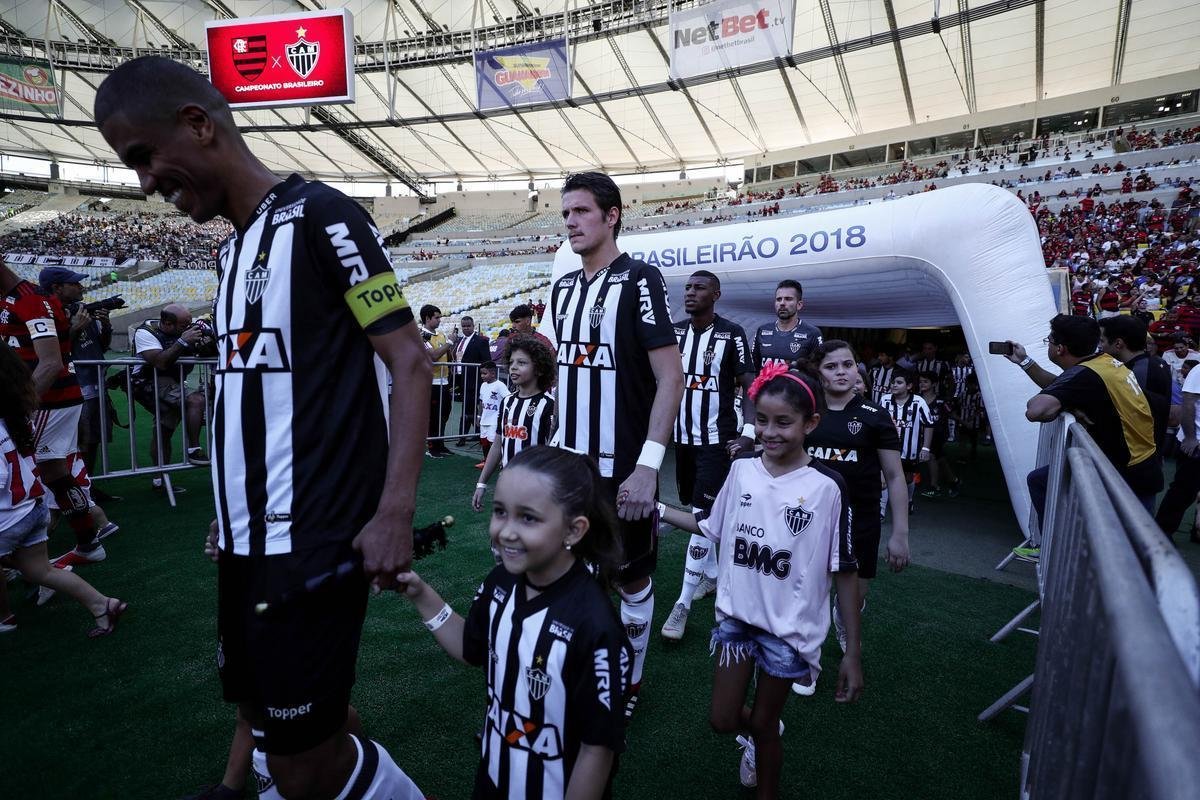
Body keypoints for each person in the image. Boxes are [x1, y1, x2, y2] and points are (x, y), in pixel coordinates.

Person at [96, 56, 428, 800]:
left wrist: (394, 512)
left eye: (144, 158)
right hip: (244, 540)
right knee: (266, 712)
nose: (145, 183)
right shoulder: (233, 247)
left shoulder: (326, 217)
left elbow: (409, 361)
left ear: (197, 124)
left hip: (312, 537)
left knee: (297, 761)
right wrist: (228, 511)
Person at [657, 365, 862, 795]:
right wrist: (658, 511)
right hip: (735, 620)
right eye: (762, 420)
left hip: (788, 631)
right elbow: (710, 527)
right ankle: (757, 734)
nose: (769, 432)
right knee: (722, 719)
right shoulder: (743, 470)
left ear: (811, 424)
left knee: (764, 726)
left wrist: (852, 652)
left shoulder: (828, 486)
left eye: (784, 422)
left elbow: (843, 569)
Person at [400, 446, 631, 799]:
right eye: (500, 512)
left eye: (528, 518)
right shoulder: (500, 583)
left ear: (573, 530)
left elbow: (596, 749)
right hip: (491, 781)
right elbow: (469, 647)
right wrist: (419, 592)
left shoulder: (595, 626)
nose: (506, 531)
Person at [541, 171, 685, 721]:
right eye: (565, 214)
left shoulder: (641, 280)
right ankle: (582, 665)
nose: (571, 222)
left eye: (581, 212)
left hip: (623, 468)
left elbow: (670, 377)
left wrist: (648, 467)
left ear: (612, 215)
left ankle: (631, 678)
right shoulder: (563, 288)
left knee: (631, 575)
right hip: (570, 467)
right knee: (569, 570)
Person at [0, 341, 126, 637]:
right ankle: (102, 605)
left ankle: (4, 617)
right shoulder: (18, 415)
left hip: (9, 516)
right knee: (40, 570)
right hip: (32, 508)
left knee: (25, 565)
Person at [805, 341, 909, 681]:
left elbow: (894, 476)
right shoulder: (807, 411)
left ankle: (844, 617)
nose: (841, 372)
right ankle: (807, 656)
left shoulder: (875, 416)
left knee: (853, 595)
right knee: (810, 592)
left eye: (847, 365)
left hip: (860, 520)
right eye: (831, 366)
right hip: (810, 520)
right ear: (818, 372)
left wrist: (900, 534)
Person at [1002, 315, 1161, 536]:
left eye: (1048, 340)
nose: (1047, 344)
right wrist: (1024, 361)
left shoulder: (1086, 375)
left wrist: (1062, 405)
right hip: (1143, 464)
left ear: (1060, 349)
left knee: (1128, 550)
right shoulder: (1103, 363)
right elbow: (1063, 385)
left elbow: (1036, 410)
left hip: (1125, 472)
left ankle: (1052, 544)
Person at [661, 269, 755, 641]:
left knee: (700, 516)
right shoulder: (676, 332)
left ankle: (682, 604)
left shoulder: (732, 334)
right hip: (682, 440)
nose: (690, 292)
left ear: (716, 294)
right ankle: (713, 576)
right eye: (687, 287)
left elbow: (749, 385)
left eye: (699, 288)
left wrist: (748, 432)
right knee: (698, 512)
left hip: (716, 441)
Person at [0, 263, 103, 568]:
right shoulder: (16, 299)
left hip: (49, 399)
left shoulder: (30, 299)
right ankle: (87, 542)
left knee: (28, 472)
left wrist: (18, 407)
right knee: (54, 473)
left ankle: (29, 561)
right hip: (52, 398)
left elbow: (50, 362)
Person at [44, 267, 117, 502]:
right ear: (57, 288)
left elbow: (101, 347)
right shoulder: (46, 314)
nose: (81, 287)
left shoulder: (82, 311)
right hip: (73, 386)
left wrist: (106, 326)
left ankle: (88, 486)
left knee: (93, 438)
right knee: (78, 442)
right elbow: (55, 352)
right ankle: (72, 493)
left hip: (95, 383)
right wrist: (74, 328)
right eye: (74, 283)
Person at [472, 334, 556, 511]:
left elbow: (552, 453)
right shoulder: (507, 402)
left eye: (522, 363)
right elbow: (497, 444)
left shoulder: (548, 405)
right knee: (501, 536)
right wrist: (481, 484)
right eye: (511, 363)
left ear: (539, 369)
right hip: (506, 485)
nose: (513, 368)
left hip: (536, 490)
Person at [131, 303, 211, 474]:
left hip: (173, 384)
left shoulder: (182, 331)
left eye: (189, 324)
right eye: (184, 326)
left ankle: (160, 479)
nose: (188, 328)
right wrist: (183, 341)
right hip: (148, 382)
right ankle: (194, 450)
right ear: (167, 323)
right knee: (196, 400)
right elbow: (159, 362)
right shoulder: (146, 332)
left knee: (164, 431)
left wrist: (206, 344)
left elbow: (201, 353)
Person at [1098, 315, 1173, 452]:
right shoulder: (1155, 363)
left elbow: (1134, 417)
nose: (1100, 346)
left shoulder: (1138, 371)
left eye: (1102, 341)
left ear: (1118, 344)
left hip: (1139, 457)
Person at [879, 370, 934, 514]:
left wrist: (926, 448)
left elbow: (929, 423)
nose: (894, 385)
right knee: (886, 476)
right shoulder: (885, 400)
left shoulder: (918, 402)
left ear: (909, 386)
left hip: (910, 450)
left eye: (899, 382)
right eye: (893, 382)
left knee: (908, 479)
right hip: (888, 448)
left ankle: (909, 500)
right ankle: (882, 510)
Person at [751, 279, 822, 372]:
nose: (782, 303)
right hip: (765, 387)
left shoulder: (812, 333)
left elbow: (818, 371)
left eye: (788, 299)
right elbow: (753, 368)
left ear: (799, 305)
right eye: (778, 299)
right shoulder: (762, 330)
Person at [420, 304, 459, 458]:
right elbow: (433, 356)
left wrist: (451, 348)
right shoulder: (421, 335)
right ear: (427, 318)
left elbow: (447, 356)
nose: (439, 320)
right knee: (434, 416)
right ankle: (432, 447)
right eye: (436, 317)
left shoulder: (441, 335)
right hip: (431, 383)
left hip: (444, 381)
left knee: (444, 414)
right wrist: (450, 343)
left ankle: (440, 445)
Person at [916, 372, 961, 497]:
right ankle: (954, 481)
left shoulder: (941, 401)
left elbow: (951, 414)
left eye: (926, 381)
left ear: (934, 384)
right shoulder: (916, 399)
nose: (922, 384)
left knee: (930, 456)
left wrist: (964, 422)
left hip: (938, 434)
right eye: (920, 381)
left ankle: (934, 486)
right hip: (921, 434)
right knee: (940, 459)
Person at [453, 315, 491, 444]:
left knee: (468, 409)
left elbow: (487, 361)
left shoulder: (481, 341)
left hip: (476, 381)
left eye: (468, 326)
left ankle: (462, 437)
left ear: (473, 326)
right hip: (462, 380)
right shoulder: (459, 341)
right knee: (472, 410)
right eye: (463, 326)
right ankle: (478, 434)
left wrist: (484, 379)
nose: (466, 328)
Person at [474, 360, 508, 467]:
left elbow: (508, 398)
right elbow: (481, 401)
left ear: (493, 373)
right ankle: (486, 460)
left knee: (493, 441)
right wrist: (479, 416)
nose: (482, 376)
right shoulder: (483, 385)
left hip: (495, 419)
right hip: (485, 418)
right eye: (481, 373)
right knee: (484, 440)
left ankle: (500, 461)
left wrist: (504, 414)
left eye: (484, 373)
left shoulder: (500, 385)